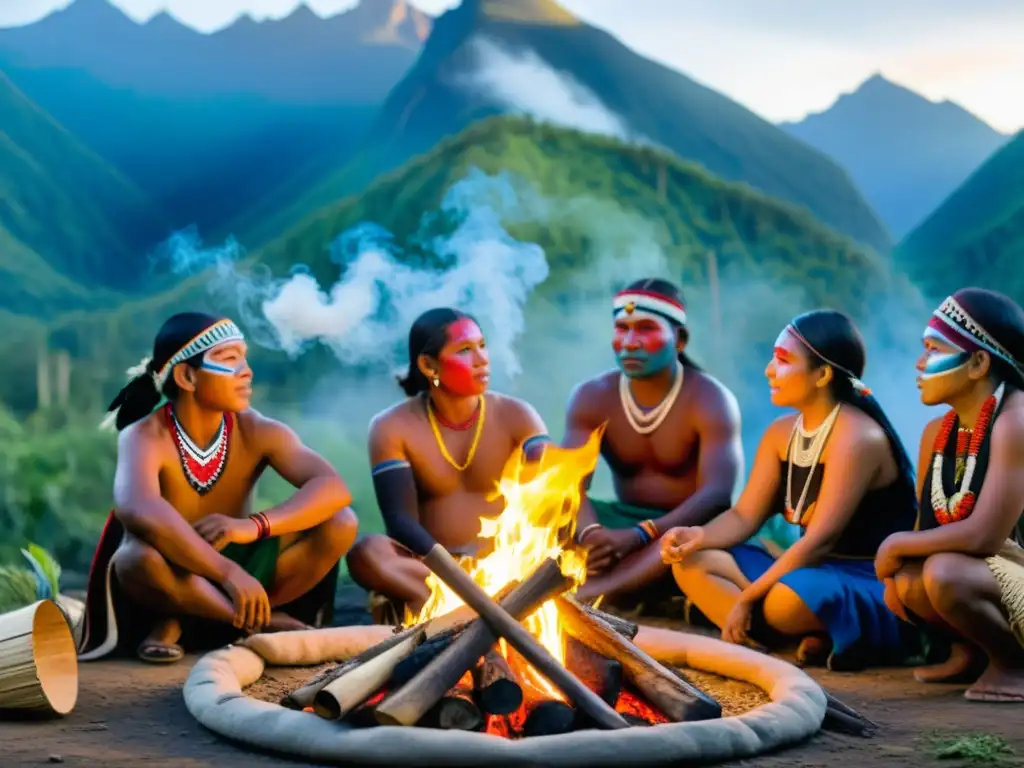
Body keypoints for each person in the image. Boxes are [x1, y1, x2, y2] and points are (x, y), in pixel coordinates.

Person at [77, 312, 358, 664]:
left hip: (242, 561)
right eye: (229, 359)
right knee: (137, 559)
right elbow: (138, 509)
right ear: (187, 376)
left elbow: (333, 487)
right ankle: (258, 621)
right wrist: (227, 572)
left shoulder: (256, 429)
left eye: (244, 356)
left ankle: (200, 618)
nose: (246, 370)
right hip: (177, 566)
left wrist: (251, 526)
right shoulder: (145, 435)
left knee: (340, 522)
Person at [661, 309, 920, 671]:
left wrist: (747, 596)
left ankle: (776, 628)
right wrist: (697, 535)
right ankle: (796, 636)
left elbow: (819, 542)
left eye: (782, 360)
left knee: (786, 600)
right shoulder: (781, 433)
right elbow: (744, 515)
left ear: (823, 375)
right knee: (690, 563)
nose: (769, 369)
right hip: (804, 569)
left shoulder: (857, 437)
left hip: (862, 578)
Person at [345, 307, 550, 622]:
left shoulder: (518, 416)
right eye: (466, 350)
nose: (482, 358)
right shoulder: (392, 426)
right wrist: (454, 575)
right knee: (368, 552)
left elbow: (552, 491)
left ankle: (456, 616)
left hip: (507, 568)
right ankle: (472, 613)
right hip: (431, 571)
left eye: (482, 345)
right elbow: (400, 522)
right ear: (428, 365)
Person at [878, 288, 1024, 701]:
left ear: (979, 362)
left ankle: (1014, 667)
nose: (920, 364)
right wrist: (903, 553)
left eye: (934, 349)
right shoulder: (937, 434)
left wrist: (898, 542)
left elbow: (985, 537)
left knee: (944, 574)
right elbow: (928, 526)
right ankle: (974, 652)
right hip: (992, 577)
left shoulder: (1016, 421)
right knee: (907, 584)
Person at [562, 278, 743, 607]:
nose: (630, 343)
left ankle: (593, 594)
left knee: (679, 545)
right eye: (622, 328)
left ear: (679, 340)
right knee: (545, 504)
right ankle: (629, 584)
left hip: (686, 526)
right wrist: (591, 535)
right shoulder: (592, 396)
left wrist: (641, 534)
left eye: (645, 329)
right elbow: (569, 482)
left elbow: (717, 496)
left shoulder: (710, 399)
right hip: (620, 523)